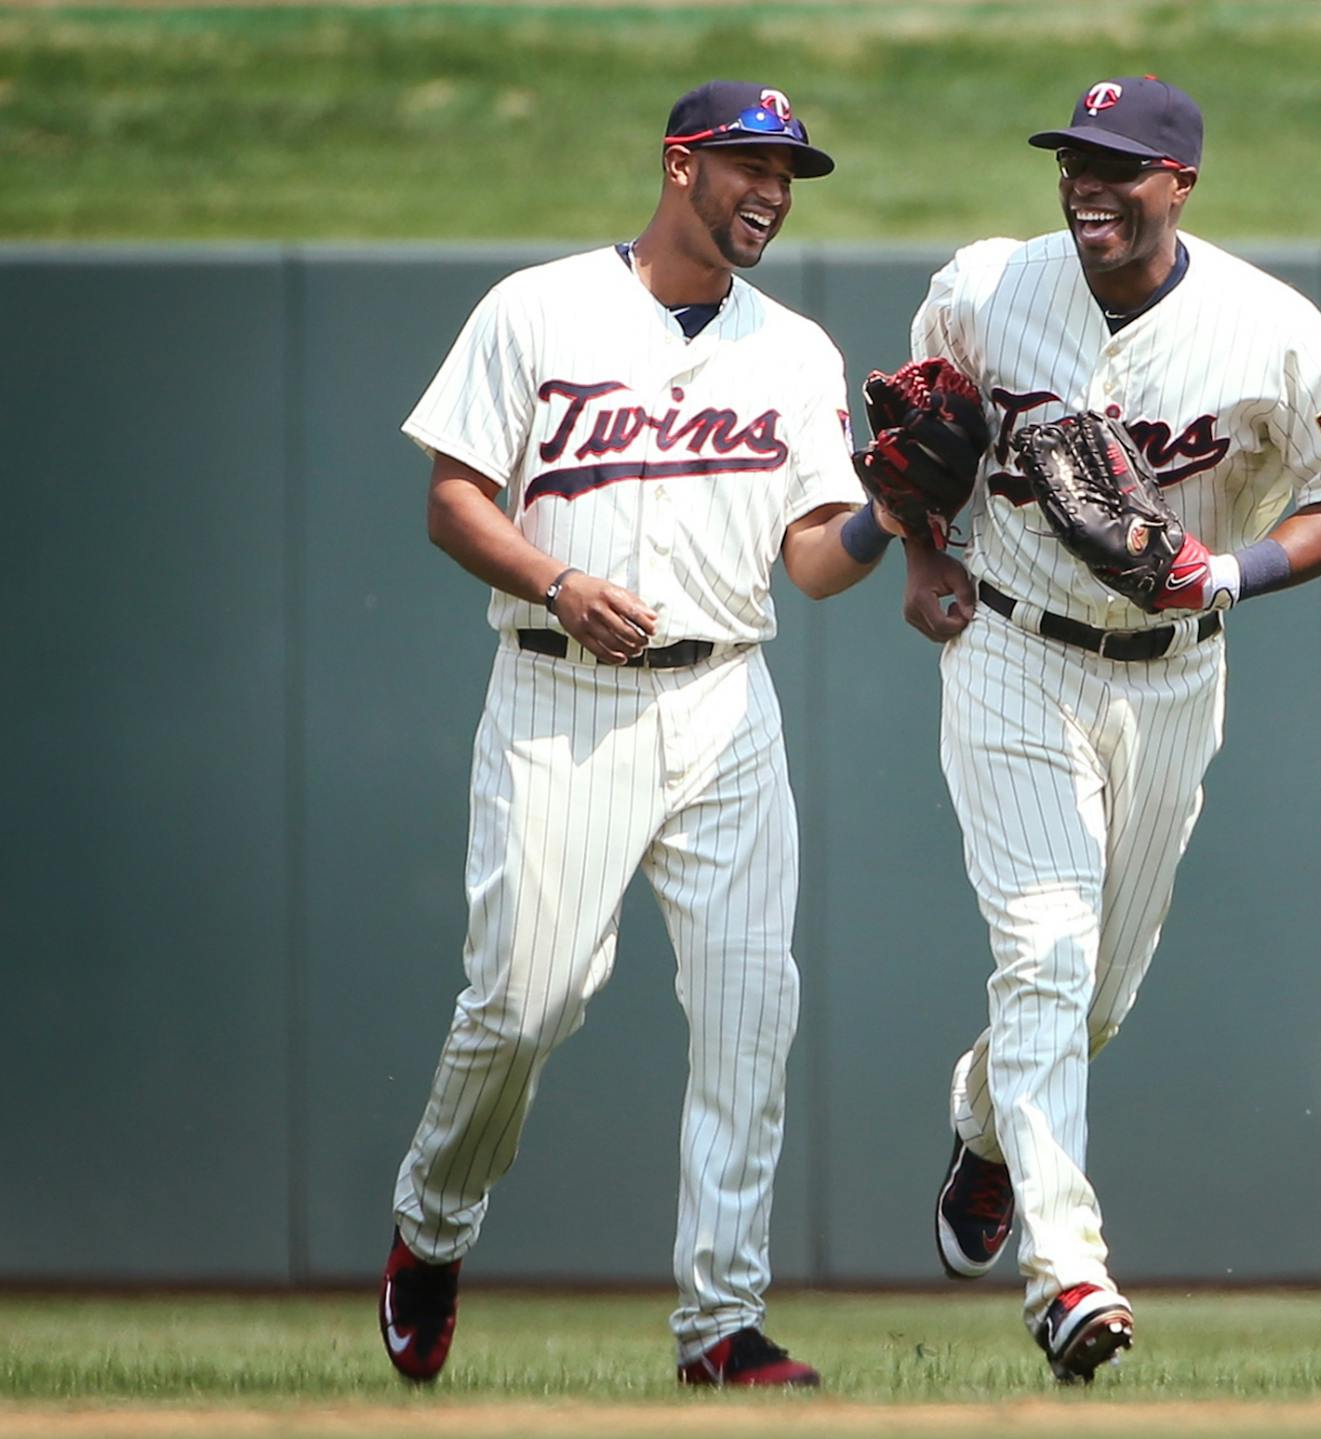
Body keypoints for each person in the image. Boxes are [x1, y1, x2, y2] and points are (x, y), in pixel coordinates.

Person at [377, 79, 903, 1390]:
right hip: (562, 693)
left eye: (787, 174)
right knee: (526, 999)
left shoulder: (792, 348)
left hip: (726, 697)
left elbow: (811, 564)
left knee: (747, 1011)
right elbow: (453, 499)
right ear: (681, 165)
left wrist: (893, 510)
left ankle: (720, 1325)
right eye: (748, 167)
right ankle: (432, 1231)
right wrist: (555, 580)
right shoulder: (539, 307)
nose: (772, 192)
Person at [896, 74, 1321, 1383]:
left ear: (1180, 184)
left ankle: (984, 1120)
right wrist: (919, 555)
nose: (1086, 183)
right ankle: (1070, 1276)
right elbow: (905, 438)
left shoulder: (1271, 331)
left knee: (1097, 995)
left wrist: (1232, 573)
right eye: (1072, 159)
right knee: (1047, 954)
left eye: (1117, 164)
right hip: (1009, 651)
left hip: (1172, 673)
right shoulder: (989, 288)